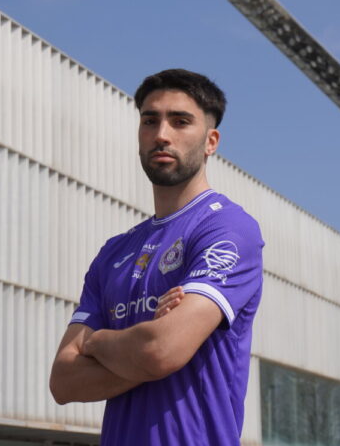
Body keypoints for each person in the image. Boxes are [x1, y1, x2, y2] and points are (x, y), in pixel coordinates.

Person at [49, 68, 264, 445]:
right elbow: (64, 381)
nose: (162, 134)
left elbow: (161, 350)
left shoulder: (228, 228)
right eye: (150, 121)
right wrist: (146, 348)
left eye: (180, 121)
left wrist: (96, 343)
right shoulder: (114, 253)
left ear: (211, 141)